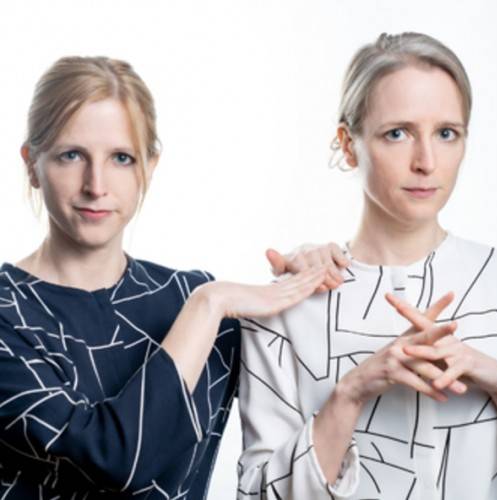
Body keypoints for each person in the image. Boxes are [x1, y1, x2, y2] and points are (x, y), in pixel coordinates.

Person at [0, 56, 348, 499]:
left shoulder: (185, 298)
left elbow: (309, 400)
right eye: (72, 155)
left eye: (121, 158)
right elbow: (116, 457)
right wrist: (209, 303)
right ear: (32, 164)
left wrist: (316, 269)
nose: (96, 184)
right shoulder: (9, 314)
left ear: (150, 166)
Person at [238, 32, 497, 500]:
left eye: (446, 133)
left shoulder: (493, 280)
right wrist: (352, 391)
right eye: (397, 133)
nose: (426, 162)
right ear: (348, 143)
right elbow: (258, 493)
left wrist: (489, 373)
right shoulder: (283, 308)